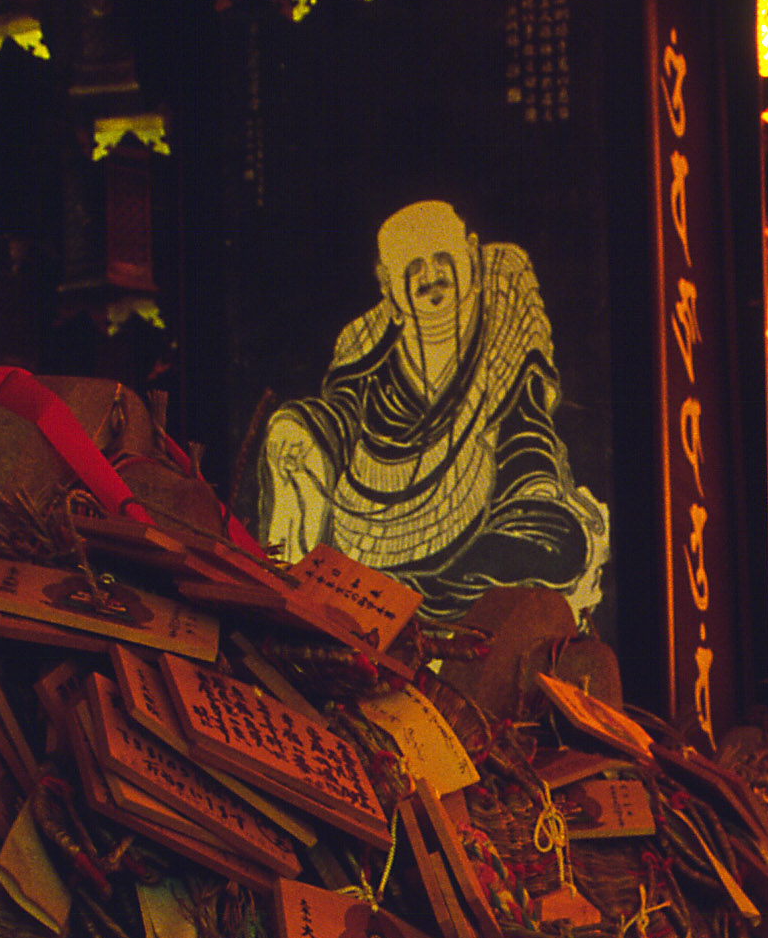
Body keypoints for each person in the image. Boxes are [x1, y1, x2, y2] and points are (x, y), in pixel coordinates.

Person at [254, 200, 610, 622]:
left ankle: (396, 596)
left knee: (561, 542)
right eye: (413, 267)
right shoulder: (368, 349)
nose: (431, 276)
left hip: (480, 531)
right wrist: (302, 432)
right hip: (377, 532)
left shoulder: (501, 328)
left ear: (471, 255)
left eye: (442, 258)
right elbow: (341, 418)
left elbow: (525, 433)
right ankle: (389, 593)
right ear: (387, 282)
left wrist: (537, 491)